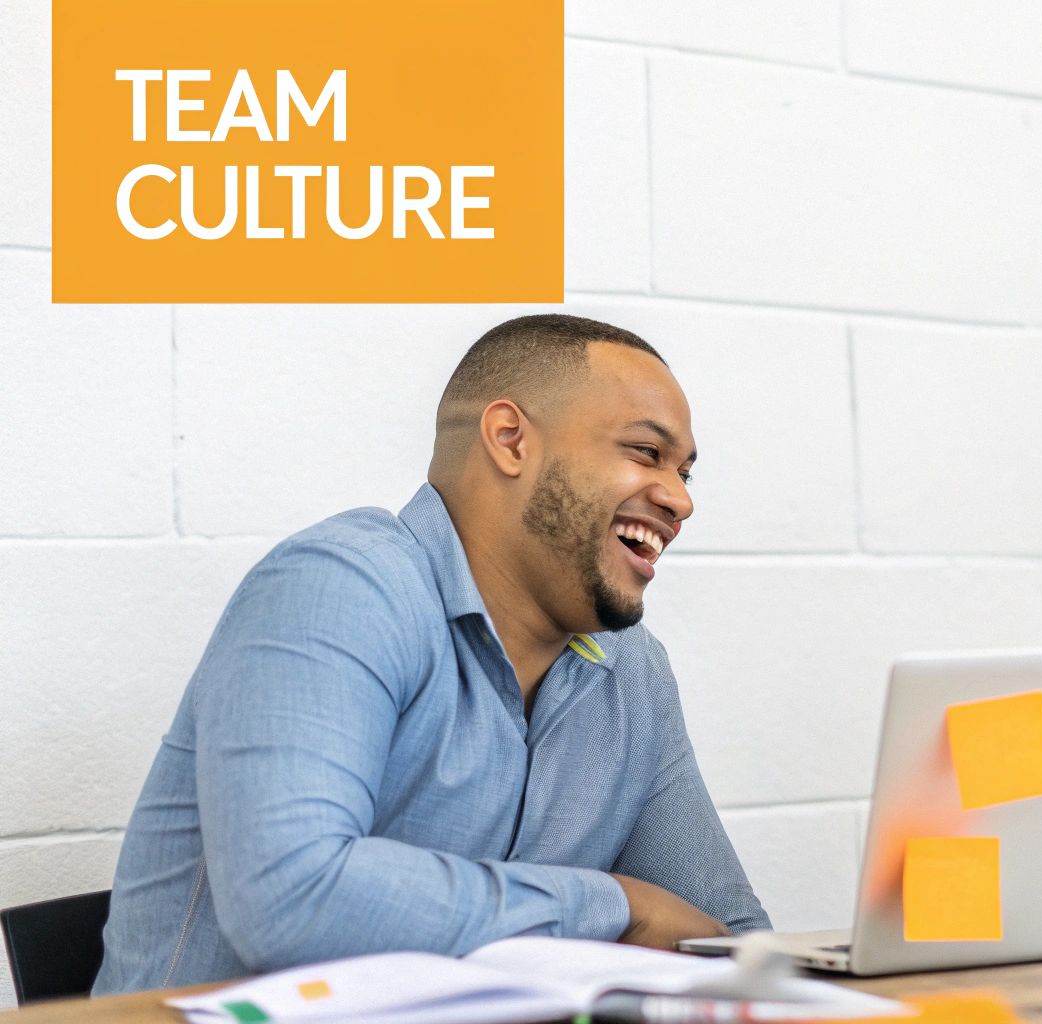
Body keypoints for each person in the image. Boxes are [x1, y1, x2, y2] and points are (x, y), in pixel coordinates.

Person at [95, 314, 768, 994]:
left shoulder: (631, 673)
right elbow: (291, 897)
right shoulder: (341, 585)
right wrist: (614, 906)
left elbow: (726, 936)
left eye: (685, 471)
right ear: (510, 440)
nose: (679, 499)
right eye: (646, 453)